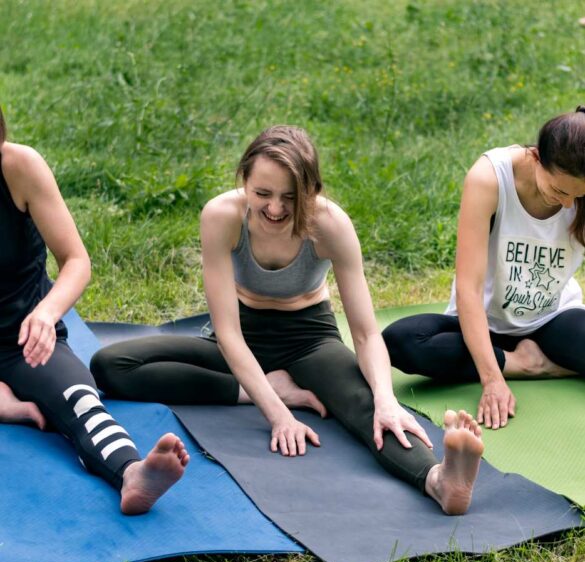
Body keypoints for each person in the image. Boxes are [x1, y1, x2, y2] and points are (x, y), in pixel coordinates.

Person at [91, 125, 484, 515]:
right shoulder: (220, 216)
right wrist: (277, 411)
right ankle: (264, 387)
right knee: (111, 365)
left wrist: (385, 398)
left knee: (365, 405)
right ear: (243, 181)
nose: (275, 209)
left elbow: (364, 333)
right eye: (262, 194)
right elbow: (228, 334)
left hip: (309, 337)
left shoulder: (330, 225)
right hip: (239, 335)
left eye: (290, 198)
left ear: (311, 193)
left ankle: (439, 480)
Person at [0, 105, 188, 514]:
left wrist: (47, 314)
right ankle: (7, 405)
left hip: (23, 339)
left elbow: (76, 260)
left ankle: (132, 473)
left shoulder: (18, 166)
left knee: (80, 398)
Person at [383, 107, 585, 431]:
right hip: (483, 323)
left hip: (553, 318)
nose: (567, 205)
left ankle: (541, 358)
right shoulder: (489, 177)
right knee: (399, 342)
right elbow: (468, 288)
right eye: (560, 191)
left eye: (578, 196)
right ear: (535, 157)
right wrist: (493, 378)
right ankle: (525, 364)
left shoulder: (576, 197)